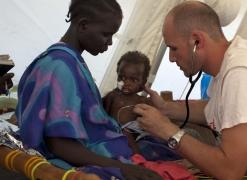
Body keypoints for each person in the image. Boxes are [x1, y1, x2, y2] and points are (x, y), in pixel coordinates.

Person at [133, 1, 247, 179]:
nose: (170, 58)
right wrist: (167, 109)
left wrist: (167, 130)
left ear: (197, 41)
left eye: (173, 48)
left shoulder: (240, 74)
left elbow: (229, 172)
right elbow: (221, 108)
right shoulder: (236, 56)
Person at [15, 0, 161, 179]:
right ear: (83, 25)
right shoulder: (61, 67)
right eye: (106, 35)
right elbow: (59, 144)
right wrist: (122, 167)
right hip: (76, 156)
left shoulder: (68, 60)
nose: (108, 43)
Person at [102, 51, 151, 126]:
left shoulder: (142, 102)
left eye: (134, 80)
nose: (126, 83)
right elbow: (101, 116)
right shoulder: (112, 96)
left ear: (143, 82)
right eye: (122, 77)